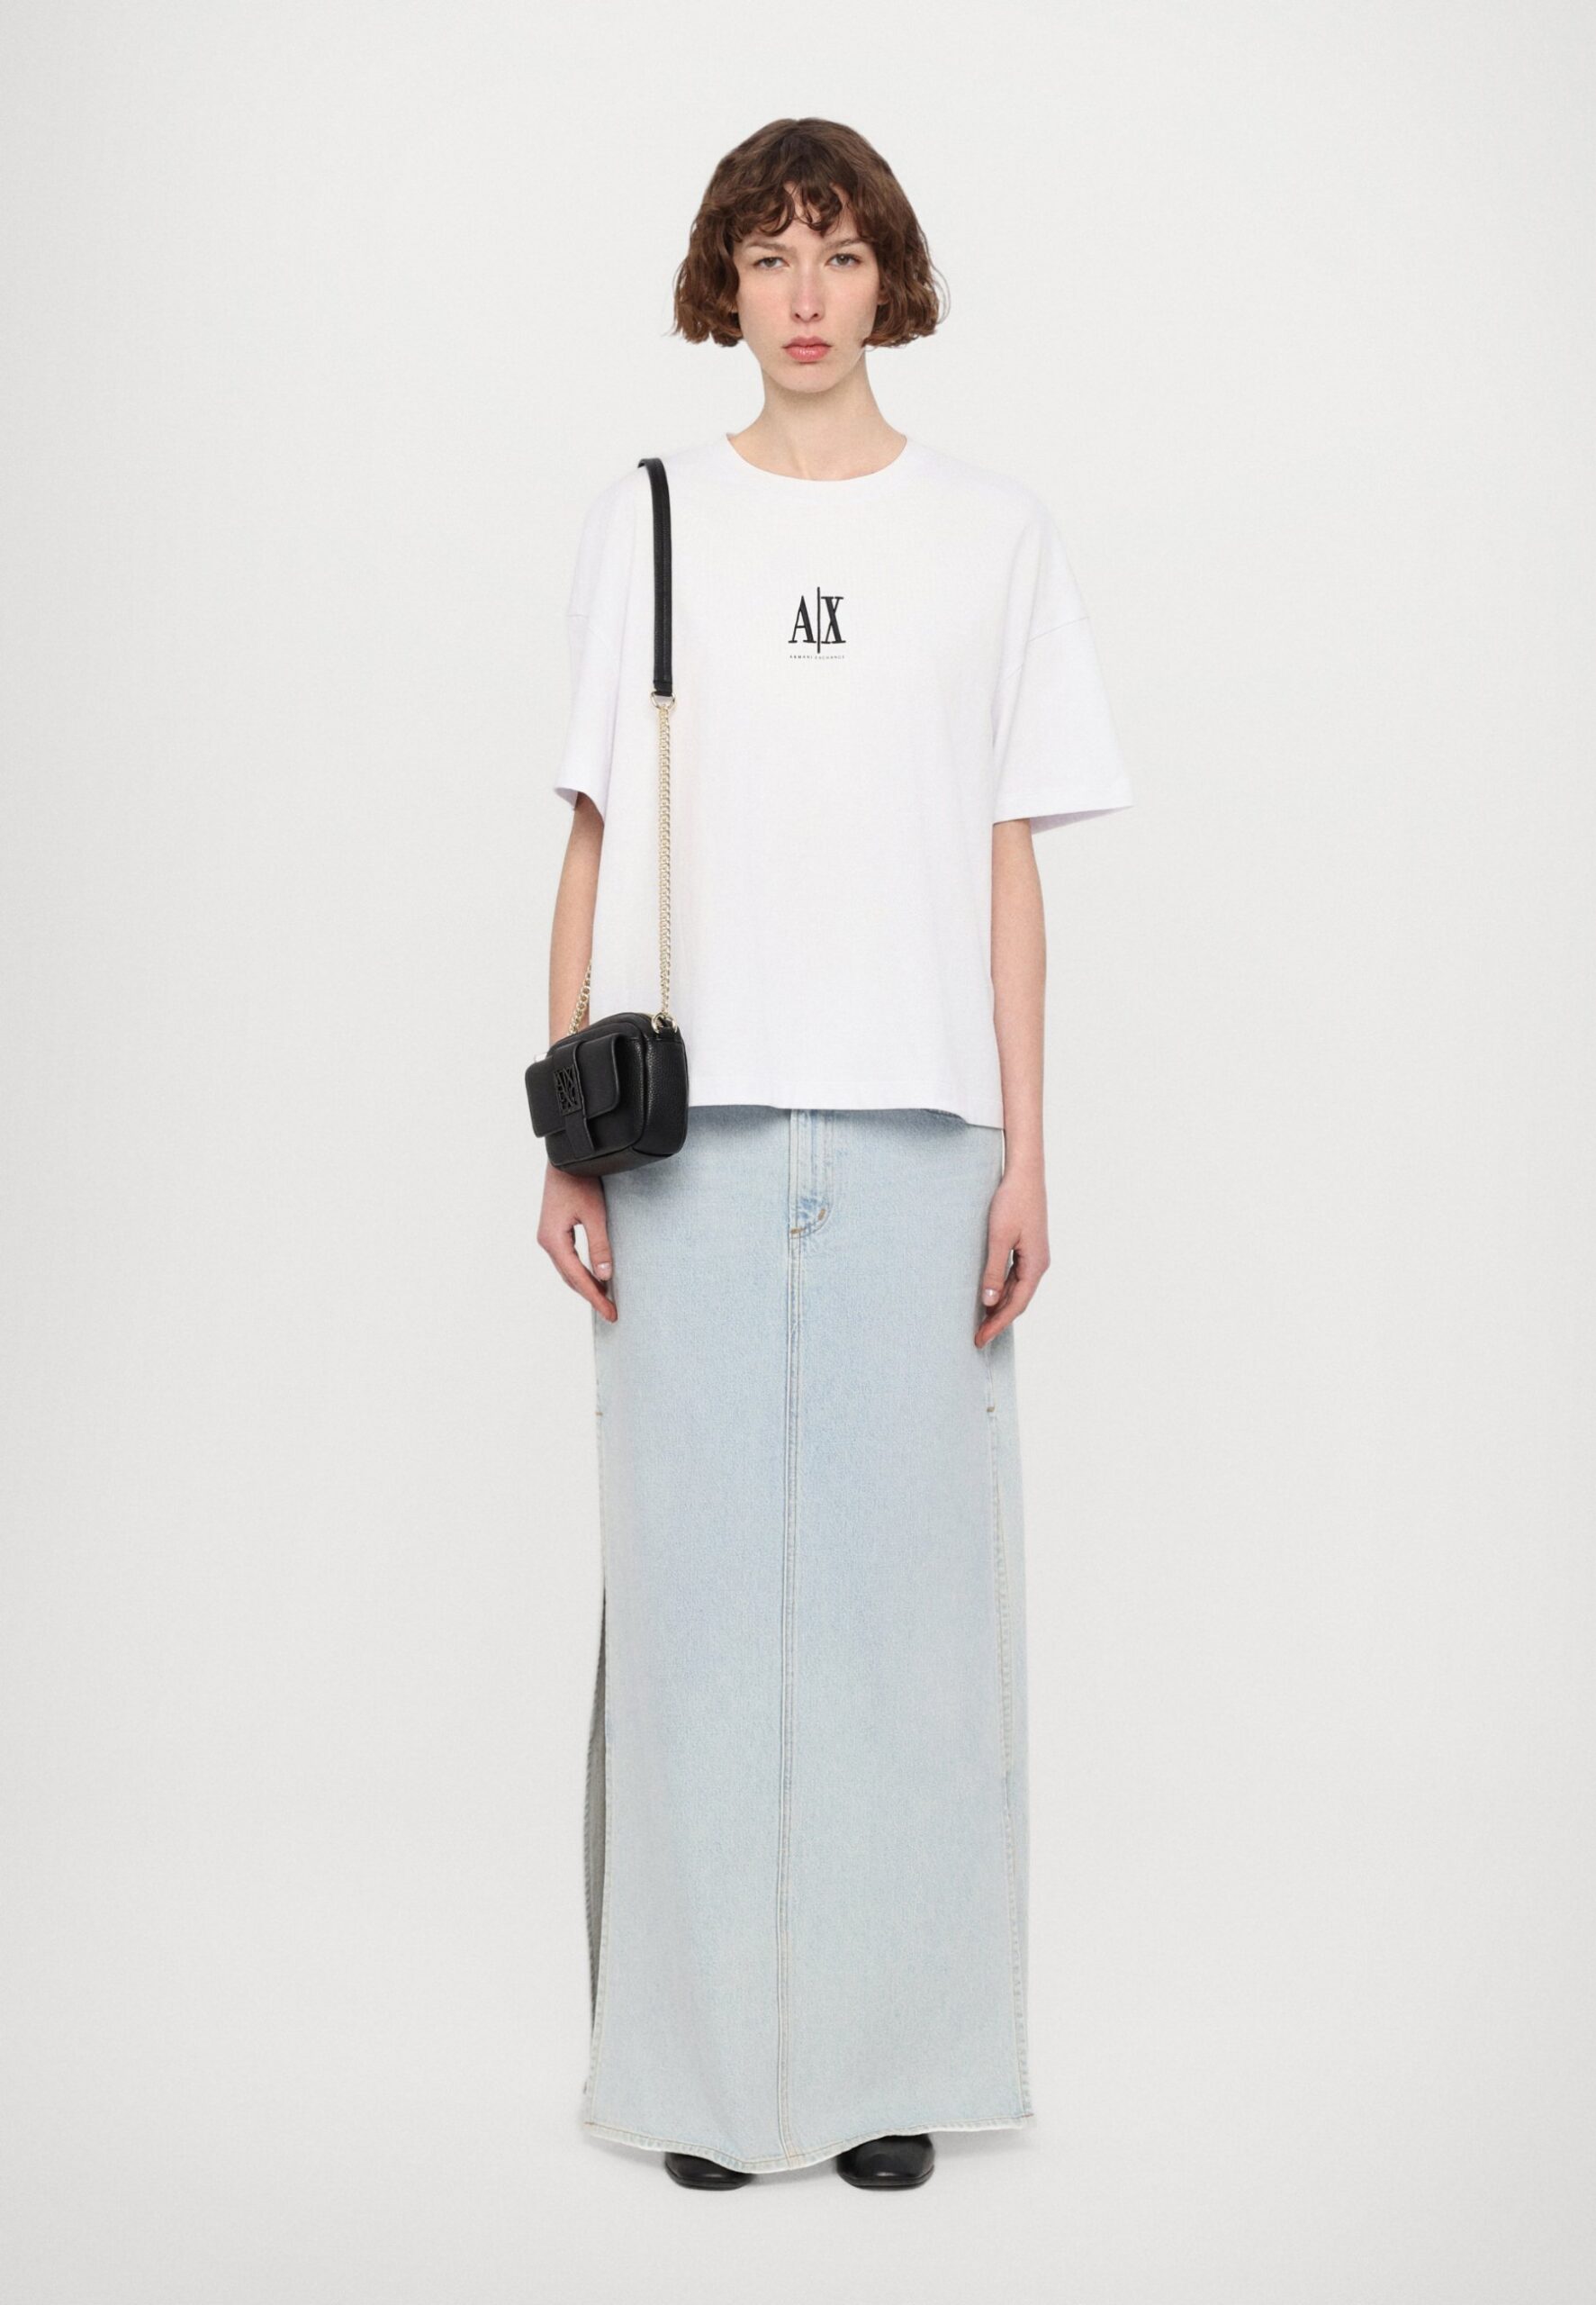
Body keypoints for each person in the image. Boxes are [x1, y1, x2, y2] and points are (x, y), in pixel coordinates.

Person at [537, 116, 1133, 2191]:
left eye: (839, 249)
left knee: (906, 1634)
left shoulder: (993, 534)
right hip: (684, 1138)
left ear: (890, 277)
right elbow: (593, 833)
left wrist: (1025, 1147)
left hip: (914, 1135)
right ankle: (701, 2081)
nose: (804, 291)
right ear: (724, 281)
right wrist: (563, 1136)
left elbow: (1006, 865)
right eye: (769, 252)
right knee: (692, 1619)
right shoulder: (652, 516)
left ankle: (887, 2067)